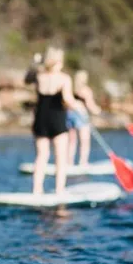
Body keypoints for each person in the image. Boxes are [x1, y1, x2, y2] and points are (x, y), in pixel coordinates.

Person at [25, 48, 85, 195]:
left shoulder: (39, 76)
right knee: (60, 157)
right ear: (59, 61)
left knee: (41, 156)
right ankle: (59, 190)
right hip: (57, 120)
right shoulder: (64, 79)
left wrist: (35, 62)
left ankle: (37, 190)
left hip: (40, 119)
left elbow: (27, 79)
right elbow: (68, 100)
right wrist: (80, 107)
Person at [67, 70, 101, 167]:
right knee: (84, 141)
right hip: (81, 115)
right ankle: (83, 162)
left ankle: (69, 162)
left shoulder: (70, 89)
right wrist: (98, 111)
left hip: (69, 114)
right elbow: (90, 105)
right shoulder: (86, 90)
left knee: (71, 141)